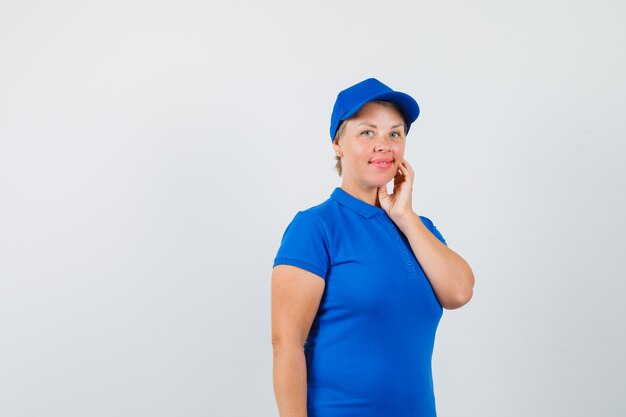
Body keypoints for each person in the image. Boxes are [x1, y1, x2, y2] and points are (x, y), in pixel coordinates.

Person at [271, 78, 475, 417]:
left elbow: (459, 292)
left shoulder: (420, 229)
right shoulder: (315, 227)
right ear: (338, 143)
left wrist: (405, 216)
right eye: (367, 133)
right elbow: (286, 344)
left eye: (394, 134)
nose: (384, 145)